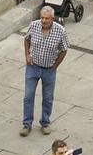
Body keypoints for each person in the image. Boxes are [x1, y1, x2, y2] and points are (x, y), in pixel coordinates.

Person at [22, 7, 67, 137]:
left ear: (52, 18)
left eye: (47, 18)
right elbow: (26, 39)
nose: (44, 20)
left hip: (49, 69)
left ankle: (45, 123)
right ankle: (27, 124)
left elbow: (64, 49)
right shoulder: (34, 25)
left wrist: (55, 66)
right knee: (28, 96)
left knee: (47, 98)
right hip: (33, 67)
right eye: (42, 18)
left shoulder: (60, 31)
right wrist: (27, 56)